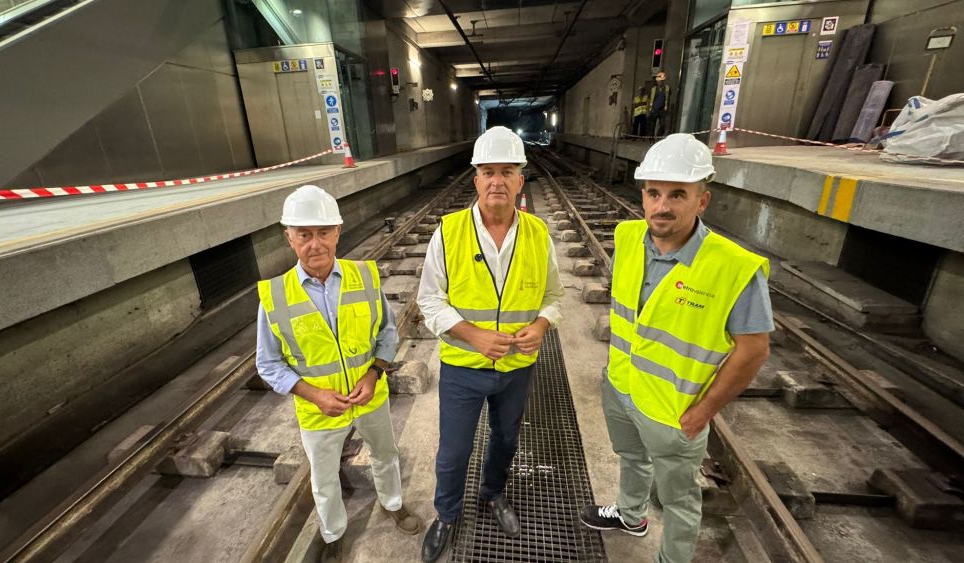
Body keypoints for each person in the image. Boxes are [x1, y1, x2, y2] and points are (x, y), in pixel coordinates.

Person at [580, 134, 773, 563]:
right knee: (630, 458)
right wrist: (616, 382)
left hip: (675, 410)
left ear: (702, 200)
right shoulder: (628, 236)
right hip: (621, 387)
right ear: (643, 194)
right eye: (653, 193)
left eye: (677, 195)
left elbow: (754, 350)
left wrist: (702, 413)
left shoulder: (733, 267)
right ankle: (631, 517)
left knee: (680, 500)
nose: (662, 206)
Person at [417, 126, 564, 562]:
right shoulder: (447, 233)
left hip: (518, 368)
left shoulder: (539, 233)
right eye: (487, 172)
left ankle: (493, 493)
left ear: (521, 179)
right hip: (463, 368)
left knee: (505, 439)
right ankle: (446, 513)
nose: (496, 180)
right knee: (455, 448)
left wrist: (541, 325)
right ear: (475, 179)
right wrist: (472, 334)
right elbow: (429, 299)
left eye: (507, 171)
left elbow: (554, 297)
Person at [255, 185, 421, 563]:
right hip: (318, 411)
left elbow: (387, 333)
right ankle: (333, 534)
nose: (316, 244)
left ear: (338, 232)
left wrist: (375, 374)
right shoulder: (275, 297)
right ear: (289, 238)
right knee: (324, 478)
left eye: (324, 232)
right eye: (304, 235)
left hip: (369, 397)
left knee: (385, 454)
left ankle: (393, 504)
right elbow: (268, 363)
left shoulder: (364, 277)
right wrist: (314, 394)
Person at [649, 71, 671, 137]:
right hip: (654, 108)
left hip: (662, 109)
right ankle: (651, 138)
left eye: (661, 81)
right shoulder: (654, 89)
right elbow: (650, 99)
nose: (659, 82)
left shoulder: (667, 88)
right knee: (652, 125)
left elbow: (668, 98)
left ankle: (658, 136)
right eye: (658, 81)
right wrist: (650, 109)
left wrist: (667, 107)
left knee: (662, 124)